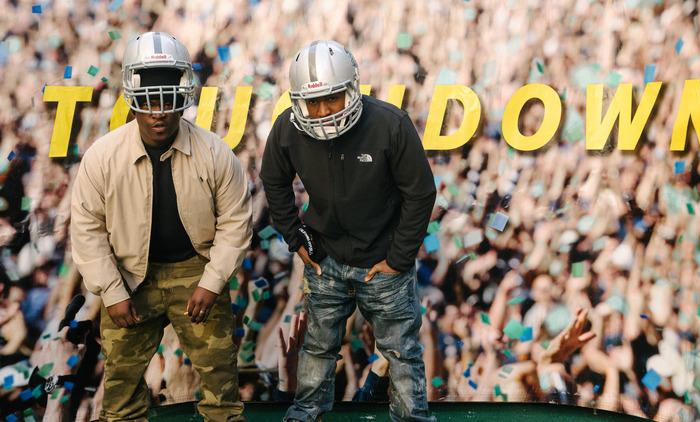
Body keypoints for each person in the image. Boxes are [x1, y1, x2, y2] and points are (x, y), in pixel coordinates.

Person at [70, 32, 252, 422]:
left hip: (196, 268)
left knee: (222, 385)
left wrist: (212, 281)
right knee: (120, 392)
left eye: (167, 100)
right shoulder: (102, 157)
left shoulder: (216, 152)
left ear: (182, 97)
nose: (159, 112)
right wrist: (112, 291)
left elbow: (236, 222)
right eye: (150, 101)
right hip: (129, 275)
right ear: (133, 98)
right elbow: (87, 230)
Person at [260, 40, 437, 422]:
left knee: (401, 351)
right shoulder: (288, 129)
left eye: (333, 98)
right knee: (318, 345)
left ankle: (412, 417)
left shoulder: (390, 124)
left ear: (352, 89)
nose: (323, 110)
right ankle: (307, 410)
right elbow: (273, 180)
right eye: (314, 101)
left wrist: (398, 258)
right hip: (326, 257)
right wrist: (296, 237)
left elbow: (420, 193)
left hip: (382, 258)